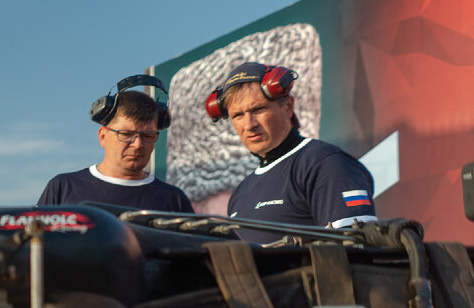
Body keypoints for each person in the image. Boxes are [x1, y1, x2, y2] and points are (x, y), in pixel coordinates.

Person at [209, 61, 377, 242]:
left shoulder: (326, 164)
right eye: (238, 115)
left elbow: (358, 252)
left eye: (258, 109)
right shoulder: (239, 194)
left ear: (288, 106)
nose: (249, 125)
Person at [38, 76, 193, 212]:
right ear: (103, 136)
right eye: (126, 134)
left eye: (148, 135)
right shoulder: (62, 188)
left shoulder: (174, 200)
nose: (138, 144)